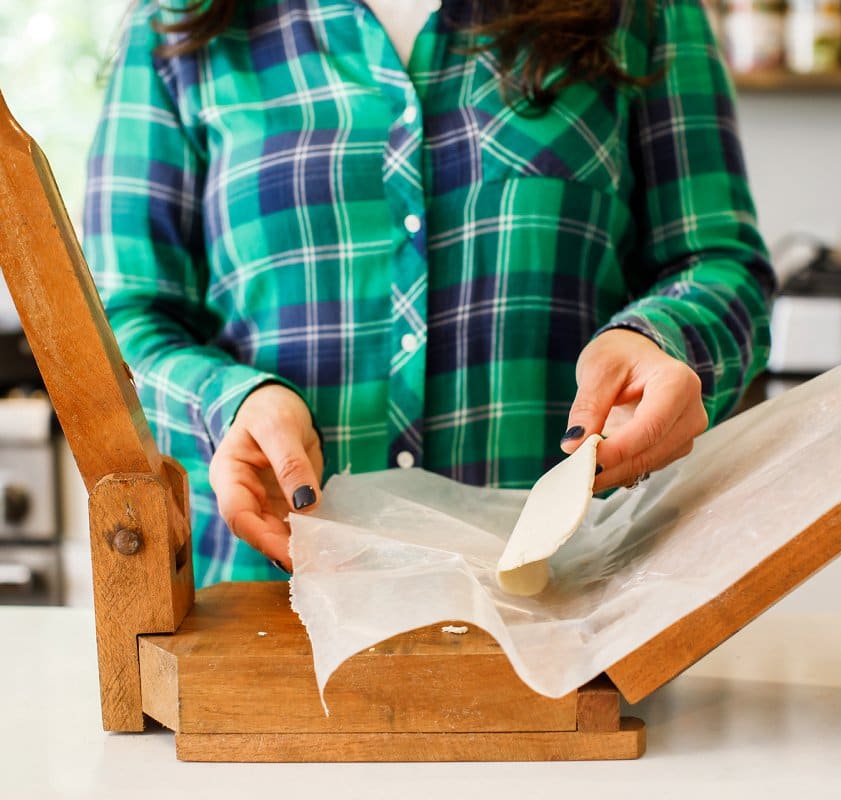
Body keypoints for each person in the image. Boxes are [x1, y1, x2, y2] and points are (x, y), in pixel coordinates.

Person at [84, 0, 774, 587]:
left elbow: (716, 262)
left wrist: (663, 342)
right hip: (262, 614)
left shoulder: (644, 12)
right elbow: (116, 323)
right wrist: (230, 402)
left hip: (568, 615)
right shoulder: (174, 26)